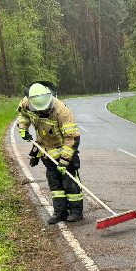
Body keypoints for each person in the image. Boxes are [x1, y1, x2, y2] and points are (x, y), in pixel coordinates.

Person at [17, 82, 83, 224]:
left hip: (65, 150)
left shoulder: (62, 111)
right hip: (46, 151)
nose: (45, 111)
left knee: (70, 183)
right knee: (55, 184)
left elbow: (72, 138)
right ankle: (60, 212)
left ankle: (76, 212)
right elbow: (23, 116)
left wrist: (64, 161)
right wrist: (23, 128)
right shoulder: (26, 103)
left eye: (47, 108)